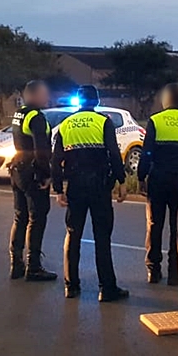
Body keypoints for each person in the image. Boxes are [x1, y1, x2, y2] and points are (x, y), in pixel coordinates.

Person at [51, 85, 130, 302]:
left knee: (73, 234)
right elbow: (114, 154)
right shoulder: (103, 122)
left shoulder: (65, 125)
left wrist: (58, 189)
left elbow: (56, 160)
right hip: (100, 186)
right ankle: (107, 288)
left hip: (75, 186)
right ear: (96, 101)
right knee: (102, 237)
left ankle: (71, 286)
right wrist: (121, 181)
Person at [138, 83, 178, 285]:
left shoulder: (156, 120)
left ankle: (153, 270)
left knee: (154, 224)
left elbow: (147, 152)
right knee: (177, 228)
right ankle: (175, 273)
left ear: (166, 99)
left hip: (159, 178)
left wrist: (141, 176)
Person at [7, 80, 57, 282]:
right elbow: (42, 150)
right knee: (37, 219)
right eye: (45, 94)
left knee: (20, 217)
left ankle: (16, 263)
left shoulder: (20, 113)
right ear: (33, 95)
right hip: (32, 173)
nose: (47, 98)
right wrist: (47, 175)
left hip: (17, 169)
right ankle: (34, 267)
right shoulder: (36, 117)